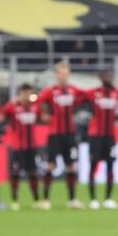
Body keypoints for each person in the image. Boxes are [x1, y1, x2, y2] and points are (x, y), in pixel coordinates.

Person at [36, 61, 83, 209]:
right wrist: (42, 115)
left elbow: (84, 99)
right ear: (56, 75)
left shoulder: (73, 90)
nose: (64, 76)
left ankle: (72, 199)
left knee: (71, 166)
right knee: (51, 165)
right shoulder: (50, 91)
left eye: (66, 73)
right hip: (54, 134)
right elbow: (37, 102)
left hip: (69, 134)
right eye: (61, 73)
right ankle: (45, 199)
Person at [85, 70, 118, 209]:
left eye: (111, 75)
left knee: (110, 166)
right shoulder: (93, 93)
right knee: (93, 166)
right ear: (100, 77)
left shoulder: (116, 93)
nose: (109, 78)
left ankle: (108, 198)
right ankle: (93, 199)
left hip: (110, 136)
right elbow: (78, 98)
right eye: (106, 75)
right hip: (96, 136)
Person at [2, 84, 42, 210]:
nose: (28, 96)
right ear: (20, 93)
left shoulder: (35, 106)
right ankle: (14, 201)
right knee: (15, 173)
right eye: (25, 93)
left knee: (33, 173)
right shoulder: (12, 106)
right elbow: (2, 116)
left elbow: (41, 118)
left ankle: (36, 200)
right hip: (17, 146)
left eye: (30, 93)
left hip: (32, 146)